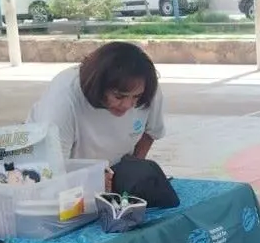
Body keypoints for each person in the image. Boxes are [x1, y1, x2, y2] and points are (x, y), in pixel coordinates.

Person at [28, 42, 166, 183]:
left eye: (136, 97)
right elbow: (52, 172)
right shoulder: (63, 101)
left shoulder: (146, 89)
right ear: (98, 86)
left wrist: (132, 170)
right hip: (57, 170)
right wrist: (90, 180)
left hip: (111, 169)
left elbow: (151, 132)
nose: (127, 105)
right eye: (119, 96)